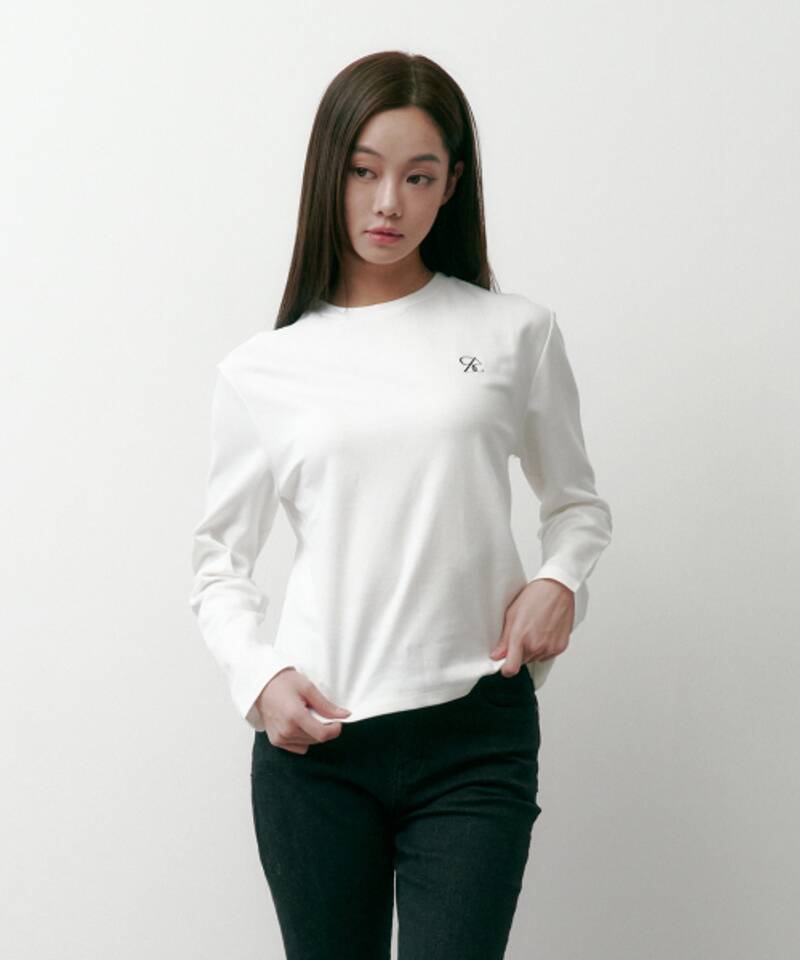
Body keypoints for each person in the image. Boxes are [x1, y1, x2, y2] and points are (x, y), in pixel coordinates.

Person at [189, 50, 613, 960]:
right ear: (329, 172)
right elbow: (219, 566)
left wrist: (560, 582)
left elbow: (578, 506)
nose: (389, 203)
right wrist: (258, 678)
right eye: (364, 171)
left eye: (419, 177)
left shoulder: (514, 333)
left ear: (451, 185)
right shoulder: (264, 369)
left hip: (474, 736)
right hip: (317, 747)